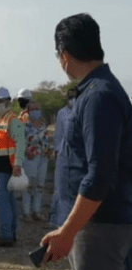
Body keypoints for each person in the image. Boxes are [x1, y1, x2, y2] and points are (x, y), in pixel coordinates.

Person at [40, 13, 132, 270]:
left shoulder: (98, 97)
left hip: (98, 226)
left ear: (64, 55)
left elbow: (100, 175)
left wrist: (67, 232)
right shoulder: (95, 91)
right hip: (94, 223)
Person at [0, 86, 26, 247]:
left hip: (7, 166)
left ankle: (6, 235)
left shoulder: (12, 120)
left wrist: (17, 165)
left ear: (8, 101)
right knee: (9, 200)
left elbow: (20, 143)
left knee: (1, 199)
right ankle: (10, 232)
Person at [49, 88, 76, 227]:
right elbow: (58, 135)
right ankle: (57, 221)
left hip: (76, 155)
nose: (73, 99)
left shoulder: (81, 112)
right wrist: (57, 153)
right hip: (63, 154)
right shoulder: (62, 113)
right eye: (71, 97)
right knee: (59, 190)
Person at [21, 100, 50, 223]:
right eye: (32, 109)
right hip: (30, 158)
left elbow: (46, 139)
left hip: (43, 157)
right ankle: (26, 213)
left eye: (37, 109)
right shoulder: (24, 124)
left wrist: (49, 151)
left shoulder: (43, 124)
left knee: (39, 186)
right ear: (28, 111)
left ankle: (36, 211)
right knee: (29, 186)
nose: (35, 111)